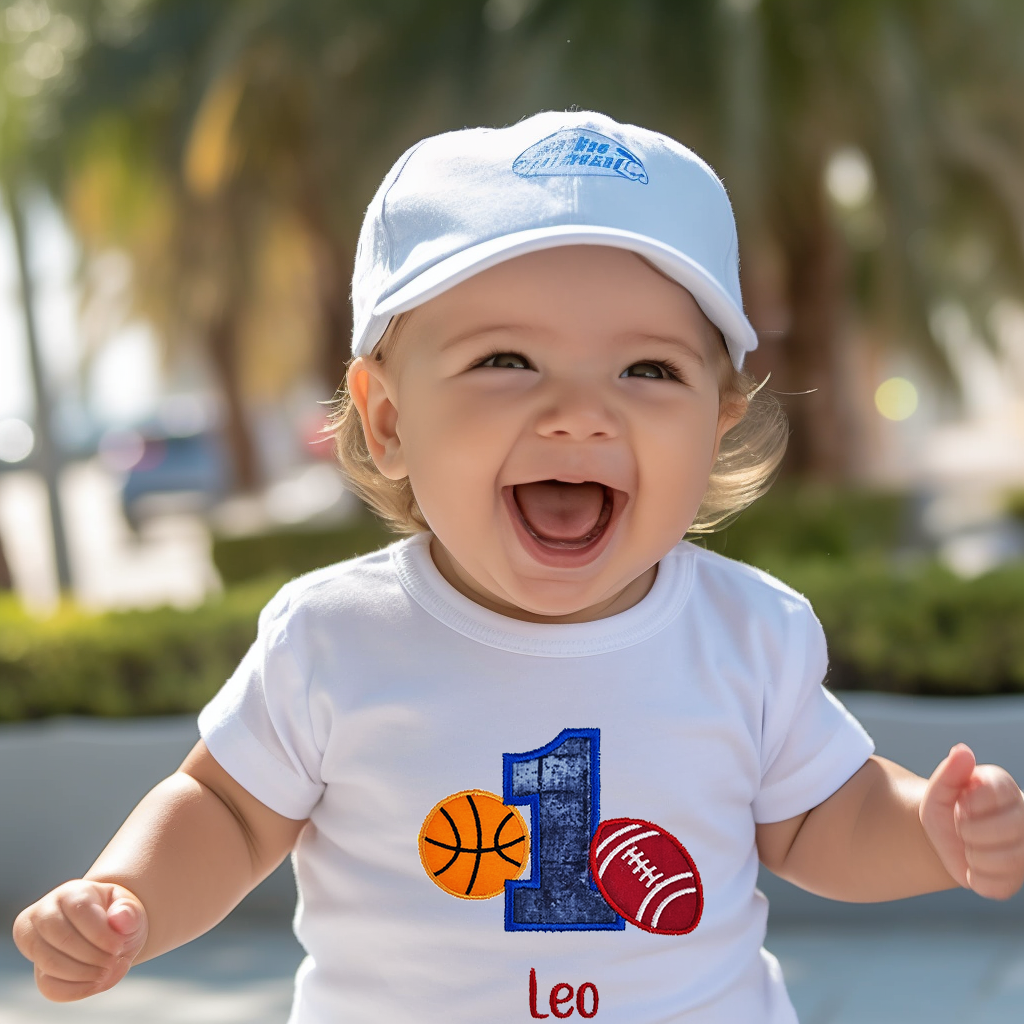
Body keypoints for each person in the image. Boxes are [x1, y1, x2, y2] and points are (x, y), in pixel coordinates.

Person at [12, 110, 1024, 1023]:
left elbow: (822, 816)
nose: (580, 411)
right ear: (389, 417)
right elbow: (227, 812)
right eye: (506, 361)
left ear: (716, 424)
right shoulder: (334, 638)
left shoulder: (746, 635)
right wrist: (128, 897)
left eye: (648, 370)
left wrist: (929, 832)